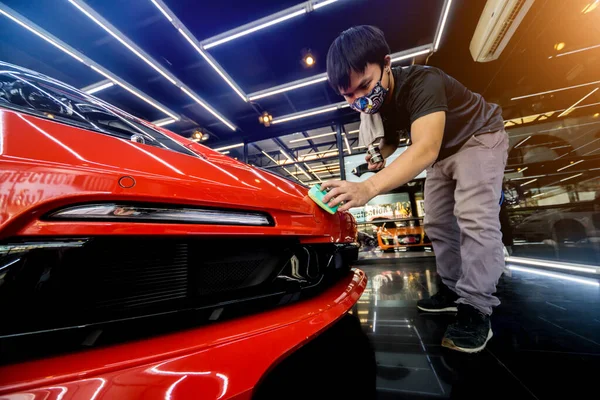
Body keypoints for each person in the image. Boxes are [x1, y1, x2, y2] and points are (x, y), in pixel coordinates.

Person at [321, 25, 508, 353]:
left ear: (387, 63)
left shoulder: (424, 81)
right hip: (443, 152)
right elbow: (394, 138)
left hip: (478, 138)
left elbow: (423, 149)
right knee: (437, 222)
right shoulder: (383, 103)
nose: (359, 100)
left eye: (363, 86)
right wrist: (380, 154)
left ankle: (476, 308)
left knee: (474, 218)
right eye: (348, 95)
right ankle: (452, 292)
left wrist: (369, 187)